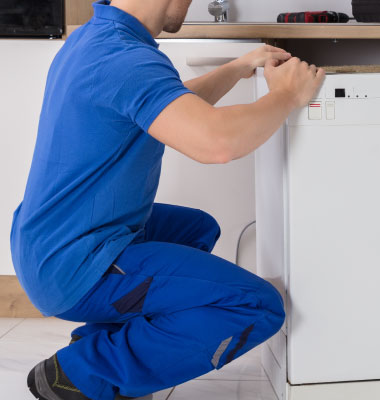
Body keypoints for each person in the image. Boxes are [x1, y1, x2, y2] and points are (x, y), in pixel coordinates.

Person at [11, 0, 324, 399]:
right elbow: (217, 143)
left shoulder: (99, 38)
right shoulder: (125, 57)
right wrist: (286, 96)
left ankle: (107, 341)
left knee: (197, 228)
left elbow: (167, 105)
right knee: (255, 305)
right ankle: (78, 374)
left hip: (48, 242)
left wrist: (236, 67)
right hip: (73, 263)